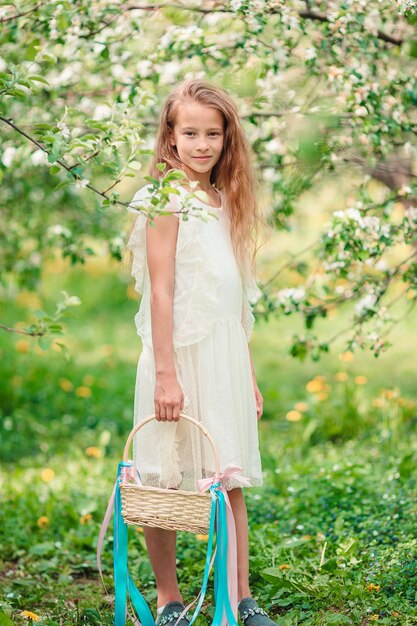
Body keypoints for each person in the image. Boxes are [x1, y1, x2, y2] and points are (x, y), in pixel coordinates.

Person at [125, 79, 277, 626]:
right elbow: (161, 290)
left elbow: (234, 301)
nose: (202, 144)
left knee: (227, 477)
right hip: (177, 356)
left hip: (224, 359)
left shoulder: (223, 200)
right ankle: (169, 598)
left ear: (227, 139)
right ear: (170, 137)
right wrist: (166, 374)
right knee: (164, 477)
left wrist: (250, 376)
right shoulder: (166, 198)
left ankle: (241, 598)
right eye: (190, 132)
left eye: (213, 133)